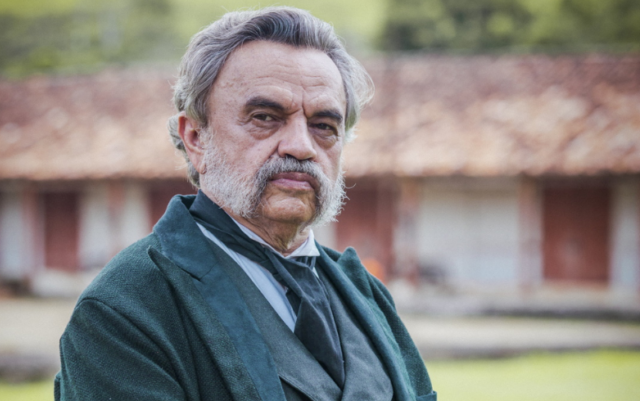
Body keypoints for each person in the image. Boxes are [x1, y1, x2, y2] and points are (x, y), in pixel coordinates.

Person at [55, 6, 436, 401]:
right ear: (196, 138)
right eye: (265, 117)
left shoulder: (367, 297)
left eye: (324, 126)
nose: (301, 146)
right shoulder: (125, 311)